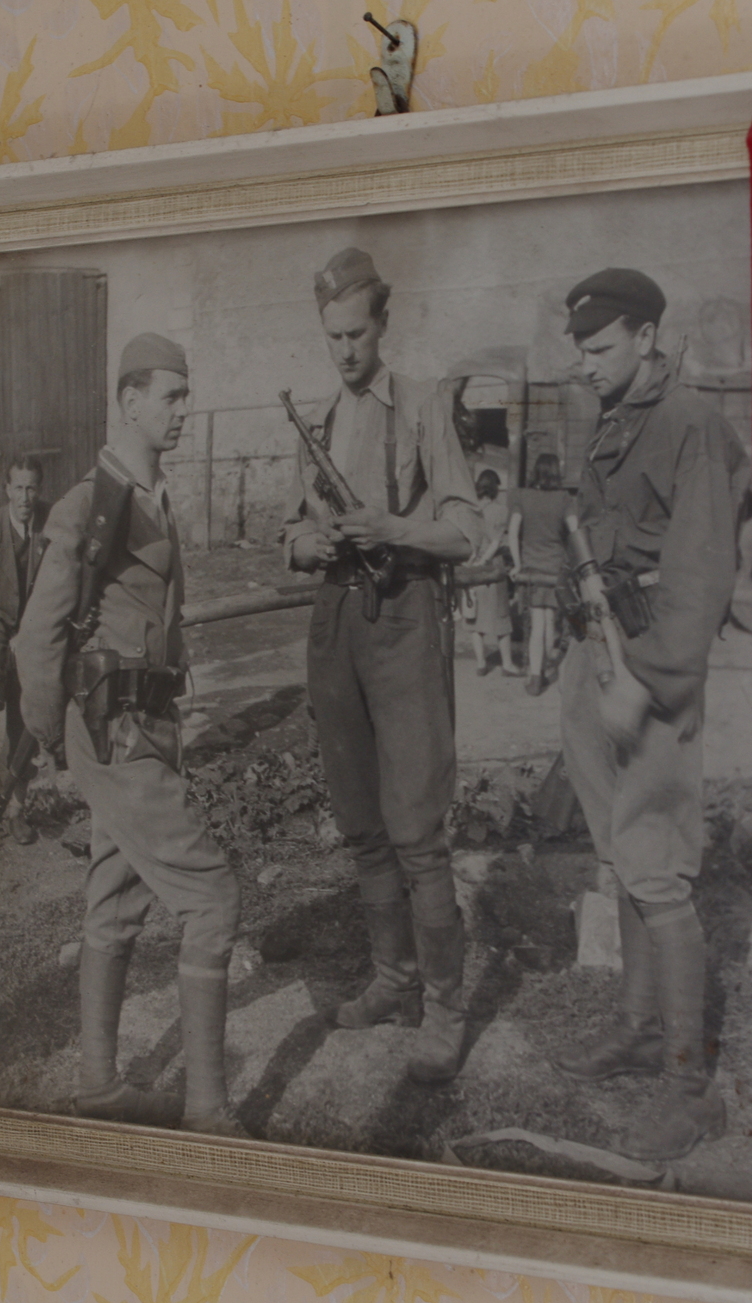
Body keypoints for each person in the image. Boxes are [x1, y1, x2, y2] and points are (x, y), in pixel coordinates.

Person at [12, 333, 246, 1138]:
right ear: (129, 399)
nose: (183, 410)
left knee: (114, 900)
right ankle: (208, 1109)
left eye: (186, 395)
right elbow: (36, 637)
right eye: (170, 396)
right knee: (211, 896)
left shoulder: (149, 497)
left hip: (147, 722)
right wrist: (52, 736)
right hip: (114, 730)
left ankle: (99, 1086)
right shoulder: (91, 504)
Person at [546, 269, 743, 1161]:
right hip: (597, 651)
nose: (585, 364)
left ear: (646, 337)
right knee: (622, 855)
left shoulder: (691, 423)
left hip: (651, 665)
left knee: (658, 867)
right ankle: (635, 1027)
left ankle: (689, 1086)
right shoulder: (607, 420)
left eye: (599, 347)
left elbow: (701, 573)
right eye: (580, 350)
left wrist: (649, 680)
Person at [282, 247, 484, 1085]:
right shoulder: (318, 420)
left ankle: (444, 1009)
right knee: (361, 822)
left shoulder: (426, 405)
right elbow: (291, 530)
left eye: (356, 334)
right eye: (332, 336)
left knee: (416, 831)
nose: (344, 351)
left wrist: (392, 528)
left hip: (404, 615)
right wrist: (310, 543)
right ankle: (392, 979)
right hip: (336, 621)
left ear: (383, 325)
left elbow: (466, 531)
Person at [0, 452, 50, 845]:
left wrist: (35, 631)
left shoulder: (50, 524)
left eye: (31, 489)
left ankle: (17, 809)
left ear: (39, 490)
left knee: (28, 711)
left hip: (33, 630)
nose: (25, 497)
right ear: (6, 489)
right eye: (18, 488)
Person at [508, 453, 570, 696]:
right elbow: (575, 530)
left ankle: (535, 677)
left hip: (532, 569)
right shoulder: (564, 498)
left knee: (537, 623)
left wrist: (517, 564)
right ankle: (545, 669)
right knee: (549, 621)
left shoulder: (522, 496)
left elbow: (513, 532)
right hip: (555, 568)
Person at [466, 469, 517, 676]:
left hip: (472, 566)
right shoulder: (500, 511)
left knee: (474, 618)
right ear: (495, 488)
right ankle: (507, 664)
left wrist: (474, 563)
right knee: (501, 618)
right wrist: (485, 561)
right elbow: (496, 542)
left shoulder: (470, 510)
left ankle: (481, 664)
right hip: (493, 567)